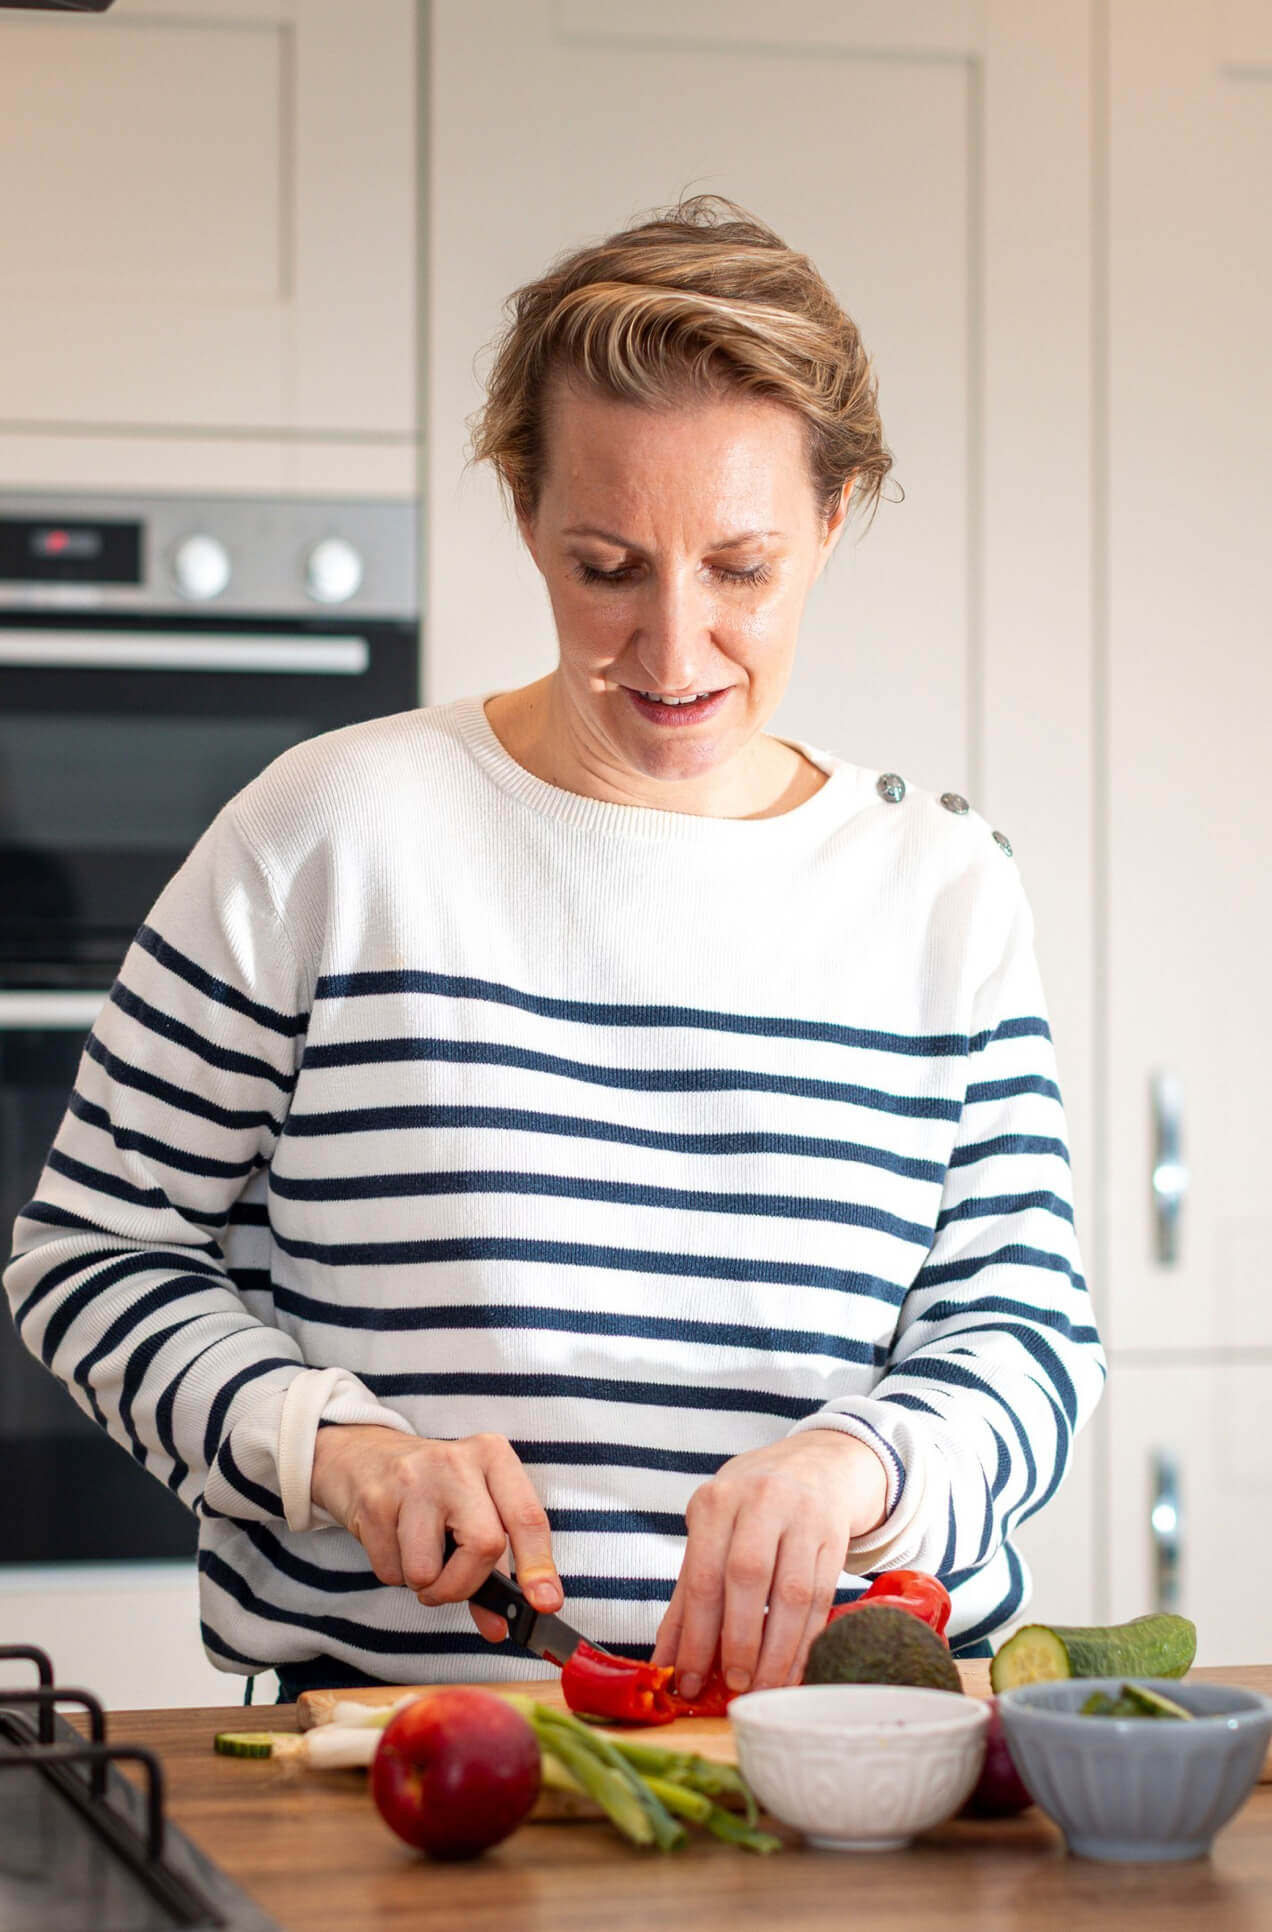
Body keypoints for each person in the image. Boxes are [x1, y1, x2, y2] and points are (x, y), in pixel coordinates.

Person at [3, 196, 1104, 1703]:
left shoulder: (944, 891)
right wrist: (337, 1451)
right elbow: (90, 1256)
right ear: (523, 509)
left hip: (853, 1759)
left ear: (833, 523)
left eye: (741, 568)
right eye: (606, 566)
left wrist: (860, 1466)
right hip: (407, 1760)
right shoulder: (325, 838)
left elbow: (1026, 1332)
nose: (672, 652)